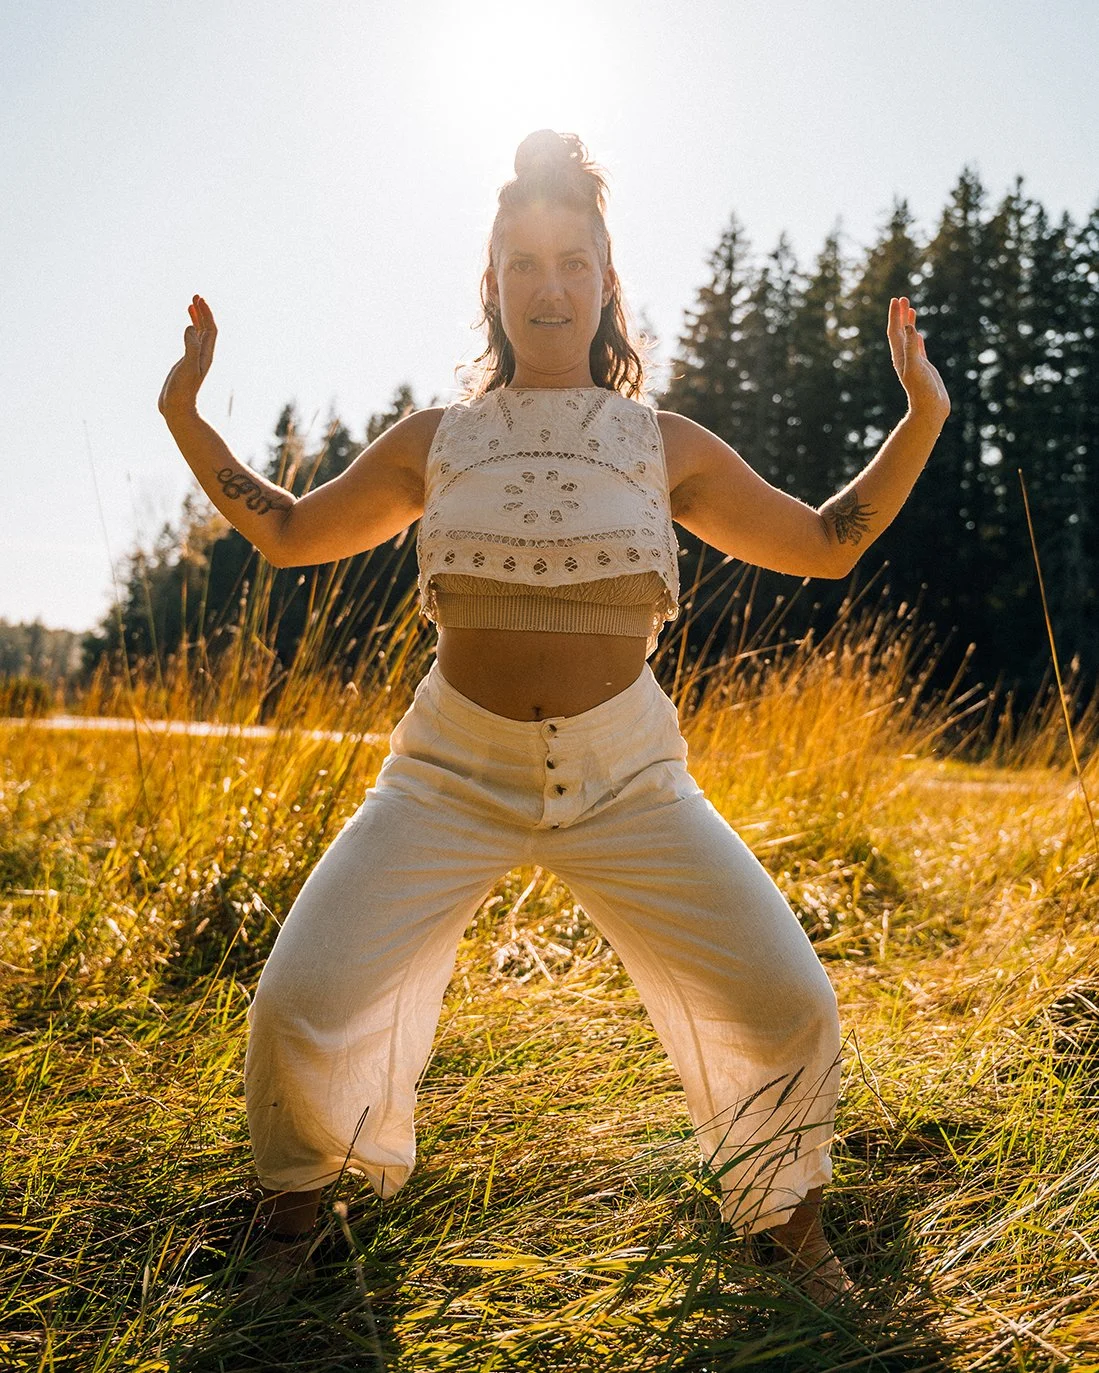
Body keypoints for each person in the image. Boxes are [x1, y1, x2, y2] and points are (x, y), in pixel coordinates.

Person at [158, 130, 950, 1307]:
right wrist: (185, 408)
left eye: (571, 259)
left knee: (790, 1004)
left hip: (630, 774)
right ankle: (293, 1218)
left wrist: (921, 410)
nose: (547, 284)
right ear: (491, 281)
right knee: (300, 1001)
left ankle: (786, 1225)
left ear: (605, 280)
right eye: (521, 260)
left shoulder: (659, 443)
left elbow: (825, 542)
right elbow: (283, 529)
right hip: (446, 772)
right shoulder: (437, 440)